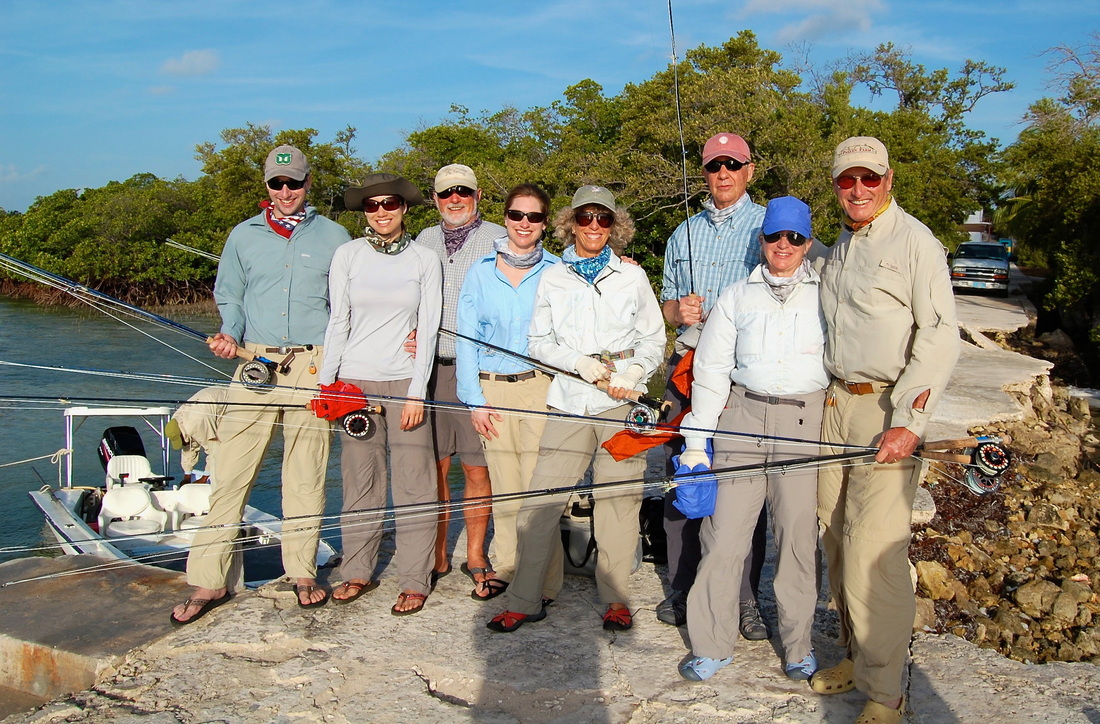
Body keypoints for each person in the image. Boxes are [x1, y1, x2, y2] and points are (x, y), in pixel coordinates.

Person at [170, 144, 351, 624]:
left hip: (314, 367)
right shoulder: (242, 235)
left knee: (307, 473)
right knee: (231, 472)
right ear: (267, 186)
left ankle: (302, 571)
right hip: (253, 362)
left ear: (309, 184)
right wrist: (229, 331)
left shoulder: (337, 236)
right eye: (278, 183)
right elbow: (229, 294)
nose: (286, 191)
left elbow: (347, 306)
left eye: (295, 183)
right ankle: (208, 581)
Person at [811, 137, 959, 724]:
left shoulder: (917, 242)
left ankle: (886, 693)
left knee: (877, 551)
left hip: (886, 413)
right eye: (848, 180)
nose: (859, 189)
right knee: (836, 541)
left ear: (888, 179)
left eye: (869, 179)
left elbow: (939, 335)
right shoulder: (837, 248)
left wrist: (910, 421)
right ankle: (855, 653)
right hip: (833, 407)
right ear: (836, 185)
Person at [486, 185, 664, 633]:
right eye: (585, 218)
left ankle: (616, 600)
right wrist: (581, 365)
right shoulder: (553, 275)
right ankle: (525, 599)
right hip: (567, 401)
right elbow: (538, 342)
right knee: (541, 503)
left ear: (614, 225)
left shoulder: (632, 276)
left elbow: (654, 338)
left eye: (603, 219)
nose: (593, 227)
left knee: (619, 503)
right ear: (571, 223)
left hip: (620, 404)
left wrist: (633, 374)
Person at [674, 196, 826, 683]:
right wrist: (696, 444)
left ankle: (799, 645)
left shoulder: (828, 291)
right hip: (740, 419)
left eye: (795, 238)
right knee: (722, 540)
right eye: (775, 236)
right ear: (761, 240)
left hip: (805, 424)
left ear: (807, 242)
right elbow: (712, 373)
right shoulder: (736, 296)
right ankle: (712, 645)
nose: (784, 246)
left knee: (798, 540)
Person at [657, 132, 770, 637]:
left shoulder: (771, 227)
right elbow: (663, 304)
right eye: (713, 166)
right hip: (685, 369)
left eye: (732, 164)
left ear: (749, 170)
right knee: (683, 477)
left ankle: (744, 597)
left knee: (744, 487)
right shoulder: (681, 233)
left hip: (742, 377)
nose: (722, 173)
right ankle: (681, 588)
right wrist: (676, 310)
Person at [320, 173, 442, 615]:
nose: (382, 212)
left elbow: (427, 330)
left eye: (390, 203)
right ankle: (356, 571)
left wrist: (416, 392)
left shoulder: (425, 259)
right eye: (372, 206)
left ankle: (414, 579)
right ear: (364, 213)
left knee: (415, 486)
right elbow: (338, 322)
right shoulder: (347, 255)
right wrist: (328, 384)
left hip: (405, 383)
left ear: (405, 208)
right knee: (360, 484)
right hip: (354, 384)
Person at [455, 183, 563, 601]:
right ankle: (507, 567)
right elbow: (465, 338)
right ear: (505, 217)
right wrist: (474, 401)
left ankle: (546, 582)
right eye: (517, 215)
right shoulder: (481, 271)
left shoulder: (558, 270)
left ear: (544, 224)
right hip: (492, 391)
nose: (524, 224)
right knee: (505, 488)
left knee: (541, 492)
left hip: (541, 390)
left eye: (534, 217)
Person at [415, 164, 506, 590]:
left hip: (476, 373)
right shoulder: (423, 241)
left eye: (463, 191)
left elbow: (548, 272)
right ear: (435, 199)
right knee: (434, 467)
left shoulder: (500, 239)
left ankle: (475, 553)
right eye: (447, 192)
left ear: (478, 195)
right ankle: (435, 555)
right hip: (428, 372)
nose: (455, 199)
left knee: (476, 469)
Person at [165, 386, 229, 484]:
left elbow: (214, 450)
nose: (182, 443)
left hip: (226, 401)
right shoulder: (176, 420)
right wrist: (187, 476)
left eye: (180, 439)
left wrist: (204, 478)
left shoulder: (196, 424)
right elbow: (188, 446)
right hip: (206, 403)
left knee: (224, 445)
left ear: (181, 433)